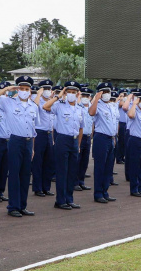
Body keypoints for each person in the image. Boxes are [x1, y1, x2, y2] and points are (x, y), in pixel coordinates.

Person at [0, 77, 37, 217]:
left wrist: (32, 147)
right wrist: (6, 89)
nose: (24, 91)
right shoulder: (8, 102)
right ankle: (13, 206)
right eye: (21, 88)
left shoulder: (33, 106)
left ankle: (22, 206)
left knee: (25, 175)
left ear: (30, 91)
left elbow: (33, 129)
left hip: (28, 142)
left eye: (27, 89)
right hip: (15, 140)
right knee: (14, 174)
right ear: (17, 89)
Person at [43, 81, 84, 209]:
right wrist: (58, 96)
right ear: (65, 93)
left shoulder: (80, 108)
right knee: (62, 171)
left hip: (74, 140)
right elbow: (45, 106)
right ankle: (60, 201)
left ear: (77, 94)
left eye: (73, 92)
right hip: (62, 139)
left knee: (72, 172)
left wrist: (78, 145)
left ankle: (69, 199)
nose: (71, 94)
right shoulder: (59, 105)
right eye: (69, 92)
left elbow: (81, 128)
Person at [89, 82, 118, 202]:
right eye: (104, 92)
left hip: (111, 139)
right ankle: (98, 194)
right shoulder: (97, 104)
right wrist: (96, 98)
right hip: (101, 138)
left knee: (108, 167)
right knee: (100, 167)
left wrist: (115, 137)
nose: (107, 94)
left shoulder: (112, 106)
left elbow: (114, 123)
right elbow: (91, 112)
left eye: (108, 92)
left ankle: (105, 191)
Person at [32, 79, 57, 197]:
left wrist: (51, 137)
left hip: (48, 133)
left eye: (49, 89)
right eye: (45, 89)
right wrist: (38, 94)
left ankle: (46, 187)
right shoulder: (36, 100)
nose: (47, 91)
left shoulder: (52, 102)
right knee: (38, 161)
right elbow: (34, 107)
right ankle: (38, 188)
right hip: (39, 133)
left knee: (49, 161)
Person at [74, 87, 94, 192]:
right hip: (79, 136)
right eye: (83, 96)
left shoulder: (92, 107)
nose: (85, 98)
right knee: (77, 160)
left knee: (85, 161)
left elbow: (93, 123)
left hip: (87, 136)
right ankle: (75, 182)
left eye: (87, 96)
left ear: (90, 97)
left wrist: (91, 135)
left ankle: (81, 181)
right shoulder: (77, 106)